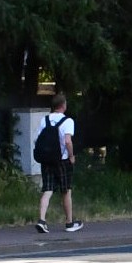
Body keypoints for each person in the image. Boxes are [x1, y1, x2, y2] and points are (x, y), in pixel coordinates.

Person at [35, 94, 83, 234]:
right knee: (66, 190)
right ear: (63, 105)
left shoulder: (45, 120)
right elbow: (68, 141)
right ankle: (69, 222)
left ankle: (42, 221)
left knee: (47, 190)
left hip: (47, 160)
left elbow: (38, 139)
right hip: (62, 160)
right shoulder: (68, 121)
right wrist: (71, 156)